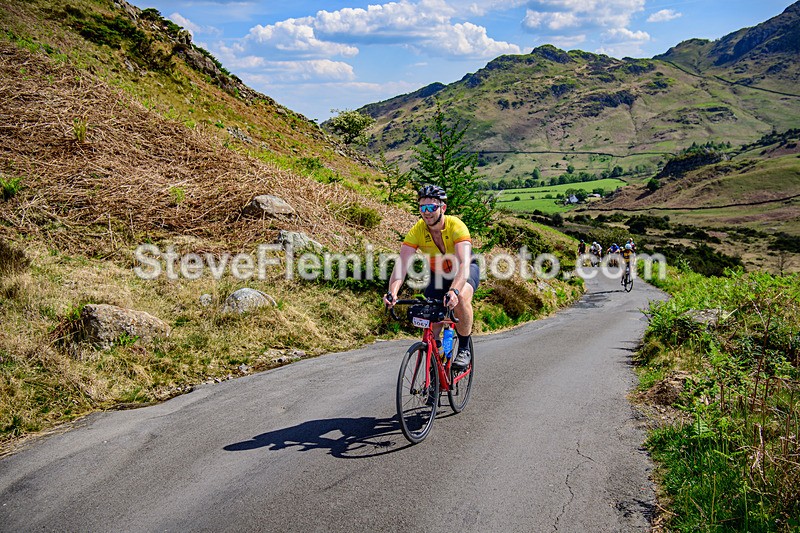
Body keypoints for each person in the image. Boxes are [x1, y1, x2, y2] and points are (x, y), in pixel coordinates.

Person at [384, 184, 479, 370]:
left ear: (442, 208)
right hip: (438, 276)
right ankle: (434, 368)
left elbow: (463, 264)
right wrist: (392, 293)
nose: (426, 213)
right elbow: (401, 265)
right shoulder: (417, 231)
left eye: (431, 207)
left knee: (459, 299)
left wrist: (453, 291)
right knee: (431, 322)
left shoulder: (456, 226)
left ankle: (464, 348)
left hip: (465, 271)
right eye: (422, 208)